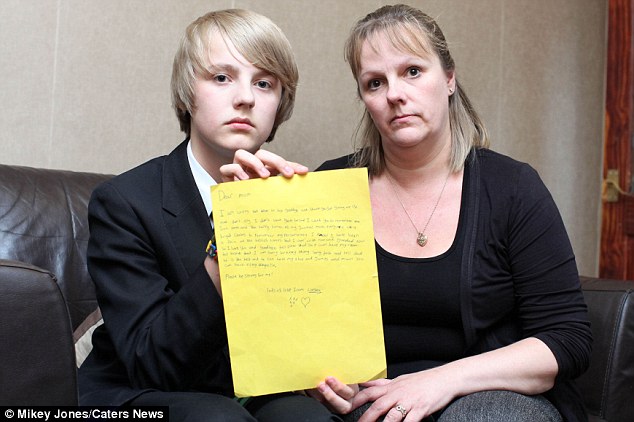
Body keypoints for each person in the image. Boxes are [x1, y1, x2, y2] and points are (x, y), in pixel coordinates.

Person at [304, 4, 592, 422]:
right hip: (372, 400)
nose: (395, 94)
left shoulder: (512, 187)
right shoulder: (329, 186)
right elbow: (299, 321)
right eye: (375, 83)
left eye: (413, 71)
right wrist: (321, 381)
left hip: (491, 396)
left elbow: (567, 339)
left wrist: (440, 380)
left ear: (449, 78)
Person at [78, 9, 341, 422]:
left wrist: (328, 375)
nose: (245, 98)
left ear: (280, 104)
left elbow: (302, 331)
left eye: (264, 83)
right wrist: (232, 244)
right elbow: (152, 364)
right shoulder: (124, 203)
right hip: (141, 391)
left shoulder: (292, 199)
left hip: (247, 388)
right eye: (221, 77)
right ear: (187, 94)